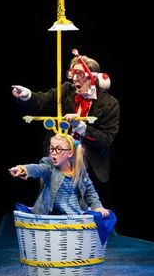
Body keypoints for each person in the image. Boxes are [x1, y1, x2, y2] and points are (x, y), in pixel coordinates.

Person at [11, 50, 120, 208]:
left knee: (84, 198)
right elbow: (44, 100)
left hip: (89, 158)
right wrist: (27, 95)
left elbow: (106, 139)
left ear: (94, 77)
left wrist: (81, 127)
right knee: (51, 192)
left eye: (80, 73)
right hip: (59, 155)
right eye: (72, 73)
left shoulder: (110, 104)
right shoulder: (67, 90)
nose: (75, 78)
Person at [9, 133, 109, 217]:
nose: (53, 153)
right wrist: (24, 169)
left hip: (73, 215)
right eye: (52, 149)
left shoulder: (79, 170)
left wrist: (97, 207)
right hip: (51, 215)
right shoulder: (49, 166)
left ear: (70, 153)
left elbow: (89, 192)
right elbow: (39, 169)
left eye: (59, 149)